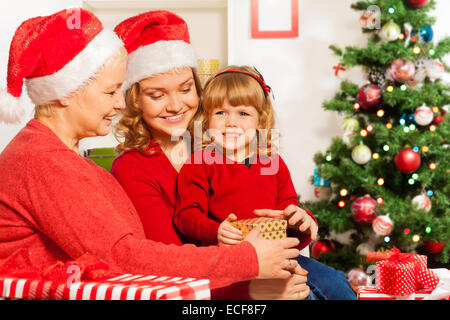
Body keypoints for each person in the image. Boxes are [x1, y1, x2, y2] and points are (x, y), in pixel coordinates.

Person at [0, 8, 304, 293]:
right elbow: (124, 257)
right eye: (110, 92)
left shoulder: (63, 159)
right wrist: (249, 267)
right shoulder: (44, 162)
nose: (119, 104)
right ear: (64, 93)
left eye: (185, 89)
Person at [111, 11, 355, 300]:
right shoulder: (136, 167)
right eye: (156, 95)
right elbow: (169, 263)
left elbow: (283, 207)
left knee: (336, 284)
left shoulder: (235, 151)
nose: (175, 105)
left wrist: (301, 221)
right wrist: (252, 289)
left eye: (186, 89)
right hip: (218, 285)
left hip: (274, 261)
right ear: (134, 100)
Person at [173, 65, 318, 250]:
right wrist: (216, 230)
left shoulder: (273, 163)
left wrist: (302, 221)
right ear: (207, 119)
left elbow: (288, 211)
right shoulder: (199, 164)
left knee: (333, 279)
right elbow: (186, 215)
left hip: (273, 254)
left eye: (243, 113)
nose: (231, 122)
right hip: (227, 257)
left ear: (260, 121)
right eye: (220, 113)